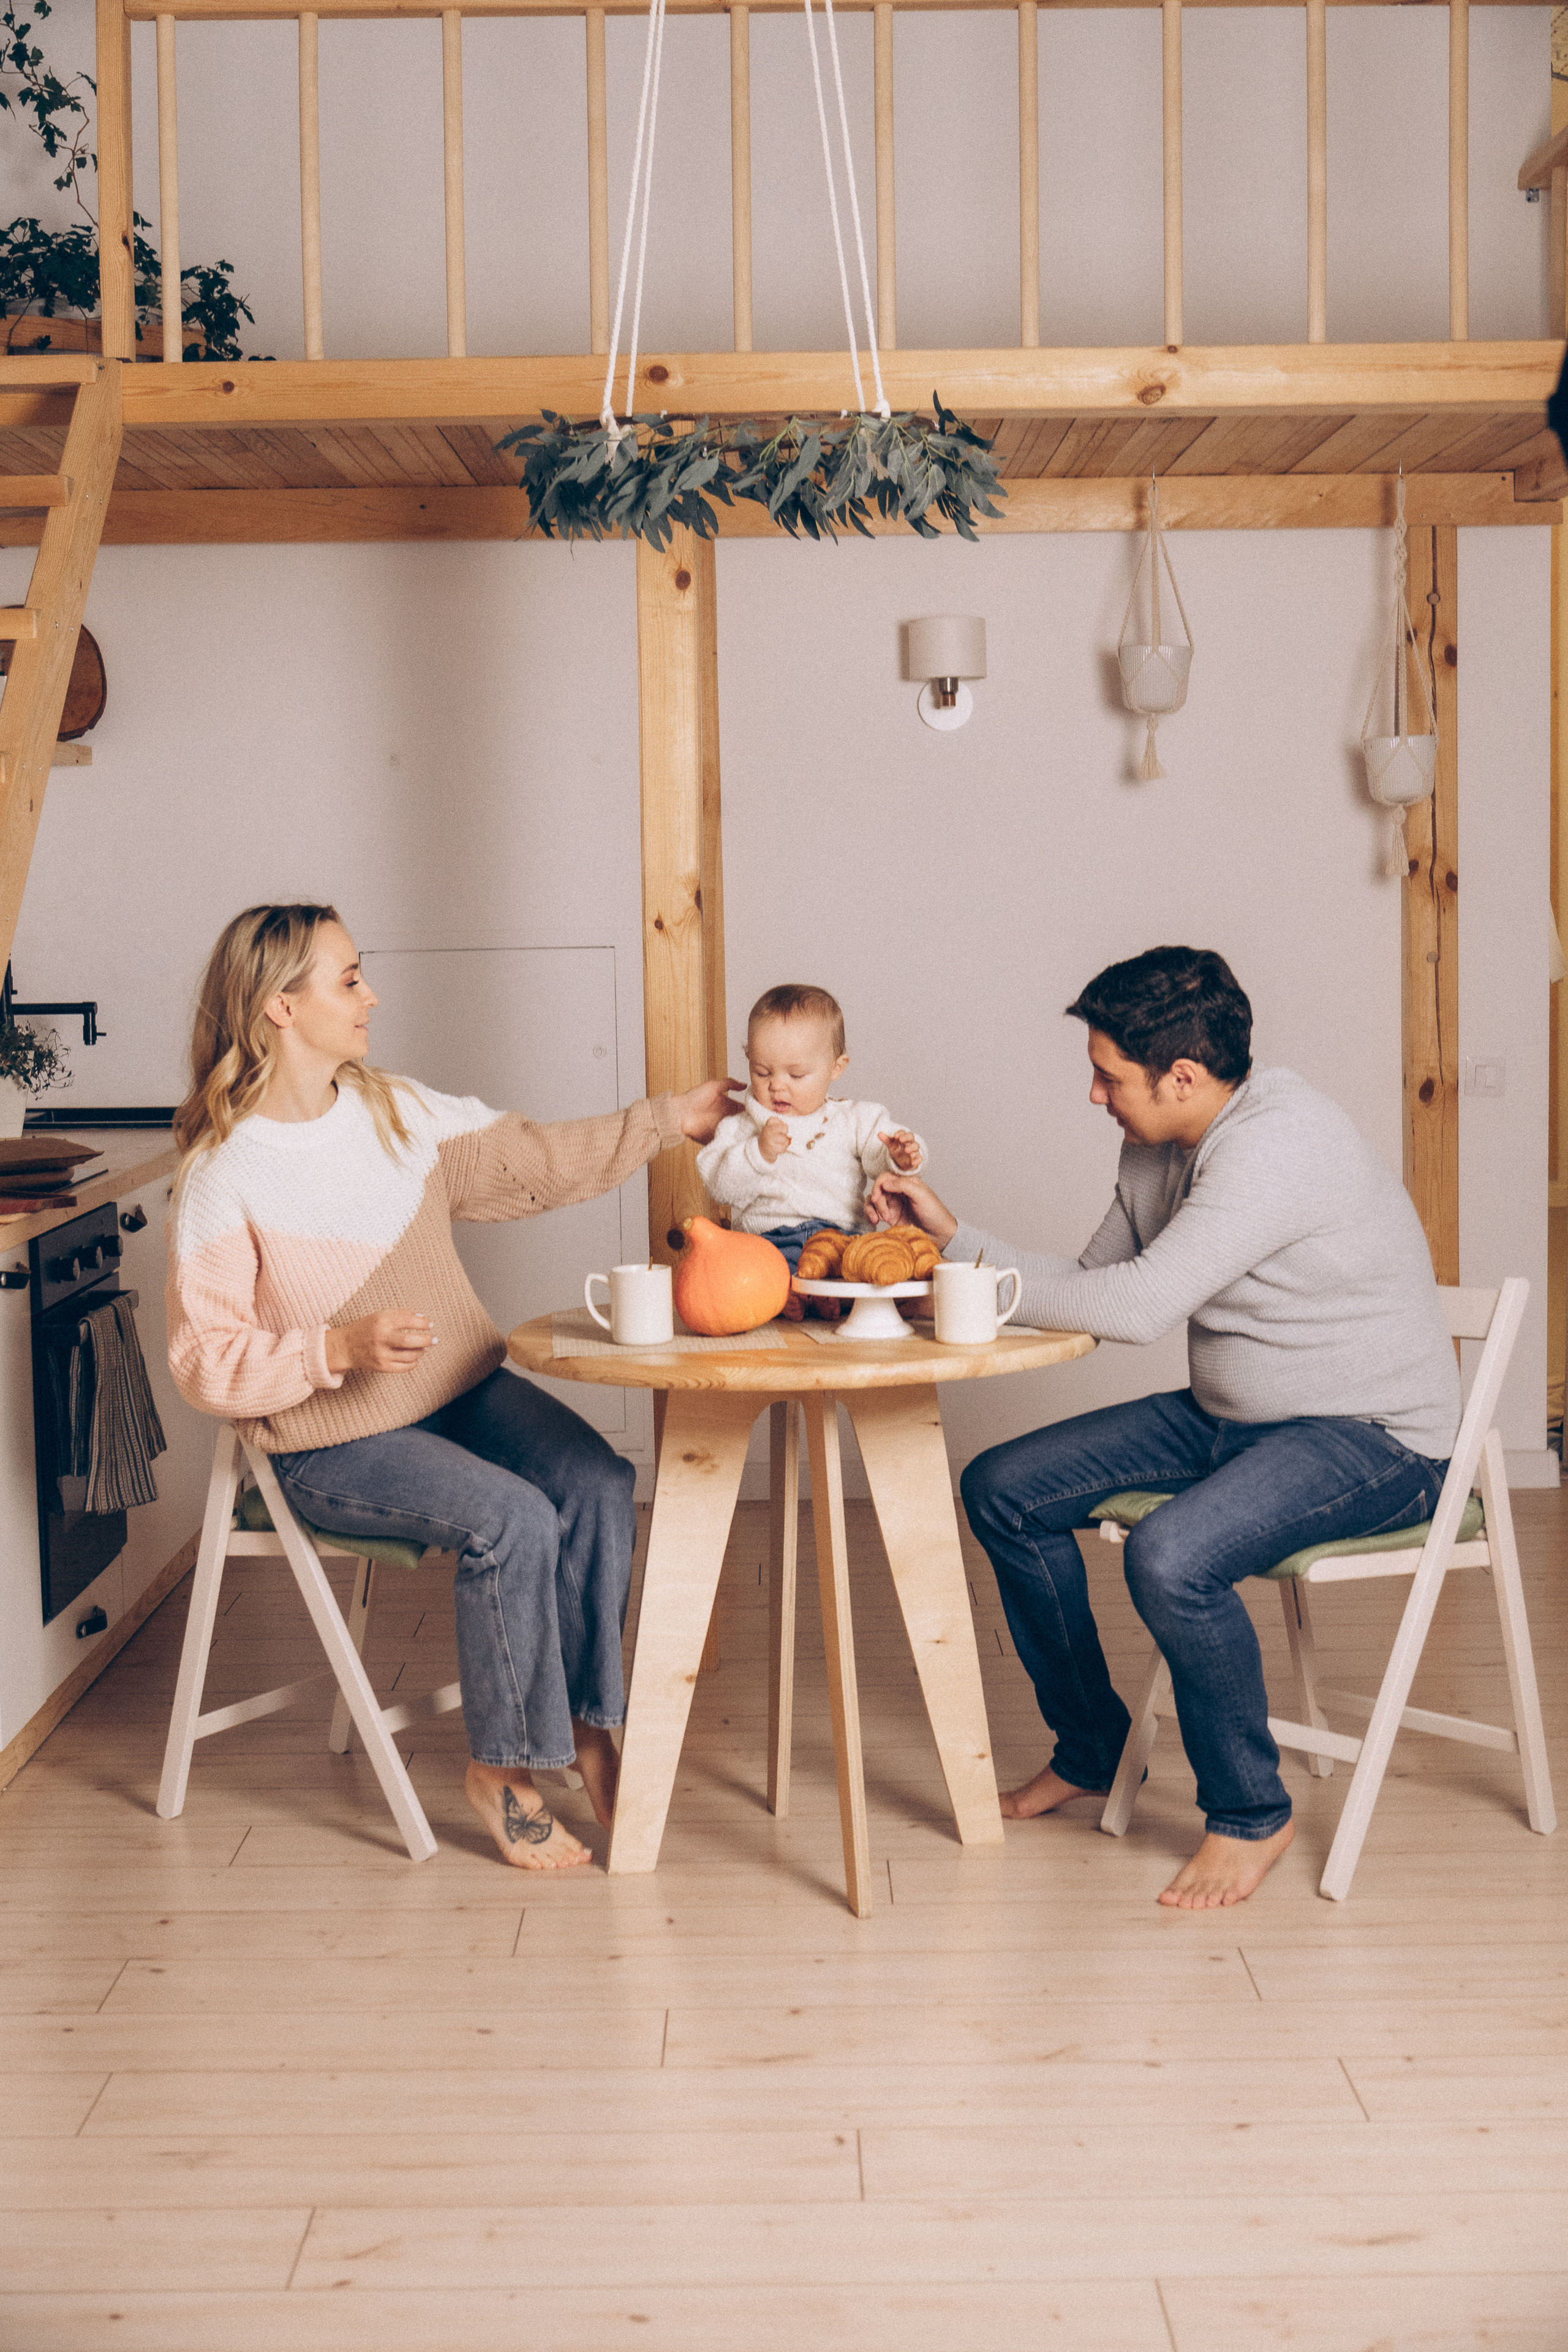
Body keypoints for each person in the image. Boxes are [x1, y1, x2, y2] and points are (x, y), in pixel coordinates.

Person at [867, 945, 1461, 1911]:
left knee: (1173, 1556)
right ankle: (1095, 1751)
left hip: (1374, 1438)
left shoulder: (1278, 1142)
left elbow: (1135, 1309)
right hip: (1236, 1418)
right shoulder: (1159, 1142)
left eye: (1108, 1076)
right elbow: (1094, 1282)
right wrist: (949, 1238)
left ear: (1181, 1077)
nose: (1094, 1094)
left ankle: (1249, 1814)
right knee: (1000, 1488)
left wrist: (970, 1277)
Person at [167, 903, 742, 1871]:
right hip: (330, 1440)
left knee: (599, 1483)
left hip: (457, 1394)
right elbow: (201, 1360)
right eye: (347, 978)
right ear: (278, 1006)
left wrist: (668, 1121)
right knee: (512, 1519)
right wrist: (334, 1351)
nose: (369, 994)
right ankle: (505, 1770)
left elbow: (535, 1161)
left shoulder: (395, 1111)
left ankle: (588, 1726)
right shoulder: (225, 1173)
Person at [696, 982, 926, 1317]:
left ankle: (819, 1295)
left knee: (867, 1263)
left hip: (840, 1236)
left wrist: (898, 1156)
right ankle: (788, 1294)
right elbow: (719, 1185)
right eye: (762, 1072)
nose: (777, 1085)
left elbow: (879, 1156)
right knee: (751, 1269)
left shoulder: (853, 1119)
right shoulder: (742, 1128)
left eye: (797, 1074)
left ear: (837, 1067)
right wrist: (758, 1154)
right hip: (770, 1239)